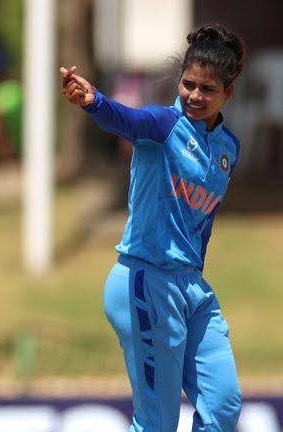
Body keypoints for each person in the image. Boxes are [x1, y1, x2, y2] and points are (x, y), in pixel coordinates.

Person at [60, 24, 244, 431]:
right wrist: (94, 102)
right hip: (146, 281)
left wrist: (193, 271)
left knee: (223, 407)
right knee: (157, 422)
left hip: (191, 287)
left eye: (207, 89)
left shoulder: (228, 148)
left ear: (227, 93)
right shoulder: (163, 127)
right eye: (188, 84)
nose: (195, 96)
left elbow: (203, 222)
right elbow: (126, 119)